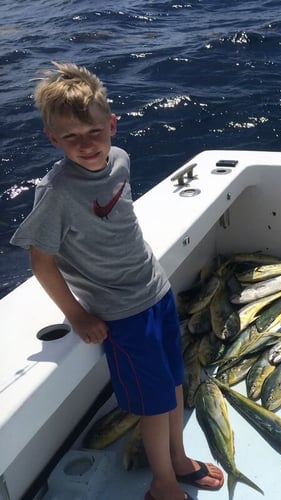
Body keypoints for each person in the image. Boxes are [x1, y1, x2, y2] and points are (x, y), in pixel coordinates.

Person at [10, 62, 223, 500]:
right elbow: (42, 262)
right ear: (53, 139)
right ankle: (161, 483)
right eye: (71, 138)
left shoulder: (121, 158)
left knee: (175, 383)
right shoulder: (57, 193)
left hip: (155, 290)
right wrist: (78, 315)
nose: (86, 145)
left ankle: (179, 461)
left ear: (111, 124)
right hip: (121, 313)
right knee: (153, 402)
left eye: (93, 132)